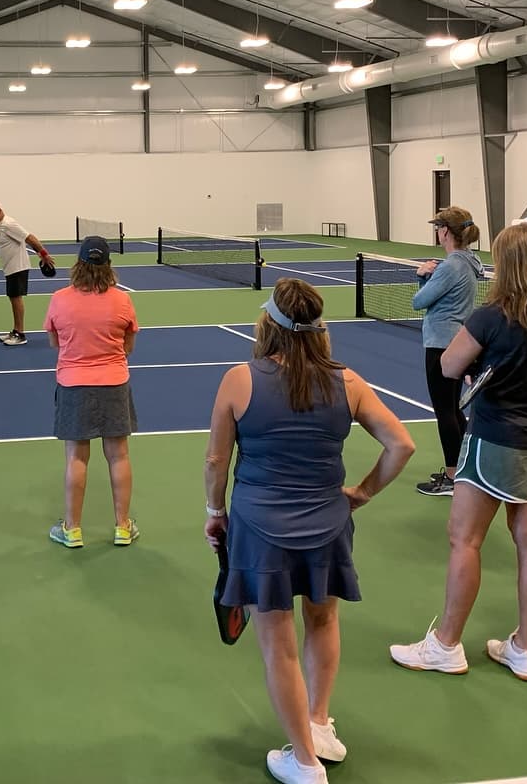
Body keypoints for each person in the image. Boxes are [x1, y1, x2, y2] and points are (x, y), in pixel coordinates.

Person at [205, 278, 414, 784]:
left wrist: (215, 511)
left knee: (278, 644)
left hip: (261, 528)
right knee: (323, 621)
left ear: (268, 324)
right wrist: (361, 493)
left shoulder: (239, 380)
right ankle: (319, 724)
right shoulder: (349, 382)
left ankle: (303, 761)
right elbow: (401, 445)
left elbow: (216, 460)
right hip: (328, 524)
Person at [389, 222, 527, 683]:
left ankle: (446, 645)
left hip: (498, 437)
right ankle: (524, 649)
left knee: (465, 539)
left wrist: (479, 364)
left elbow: (449, 365)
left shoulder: (492, 316)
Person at [42, 235, 140, 548]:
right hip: (114, 383)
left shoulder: (59, 299)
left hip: (74, 385)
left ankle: (72, 530)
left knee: (76, 457)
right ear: (108, 265)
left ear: (79, 264)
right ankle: (123, 527)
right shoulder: (123, 301)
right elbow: (128, 346)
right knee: (118, 455)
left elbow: (55, 342)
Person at [411, 207, 483, 497]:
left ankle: (452, 478)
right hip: (458, 341)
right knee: (453, 409)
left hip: (441, 344)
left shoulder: (451, 265)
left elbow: (419, 301)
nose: (437, 232)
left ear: (445, 232)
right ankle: (462, 469)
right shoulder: (469, 261)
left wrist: (422, 275)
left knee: (445, 412)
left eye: (438, 227)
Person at [0, 200, 53, 347]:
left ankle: (20, 334)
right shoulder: (1, 225)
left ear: (0, 211)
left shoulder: (9, 224)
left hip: (17, 267)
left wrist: (44, 254)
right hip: (11, 268)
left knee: (16, 298)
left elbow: (30, 238)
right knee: (13, 298)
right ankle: (15, 331)